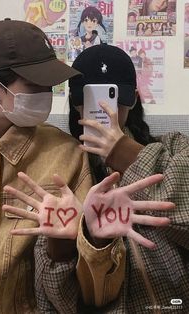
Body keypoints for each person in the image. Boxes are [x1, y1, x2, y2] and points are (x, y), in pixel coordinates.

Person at [0, 19, 173, 314]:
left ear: (133, 98)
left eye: (50, 84)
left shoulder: (66, 154)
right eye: (35, 84)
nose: (46, 93)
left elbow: (79, 294)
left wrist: (77, 242)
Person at [68, 44, 189, 312]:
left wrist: (124, 152)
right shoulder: (65, 166)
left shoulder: (176, 148)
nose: (103, 108)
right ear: (75, 103)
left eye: (113, 96)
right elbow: (63, 297)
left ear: (133, 98)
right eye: (90, 98)